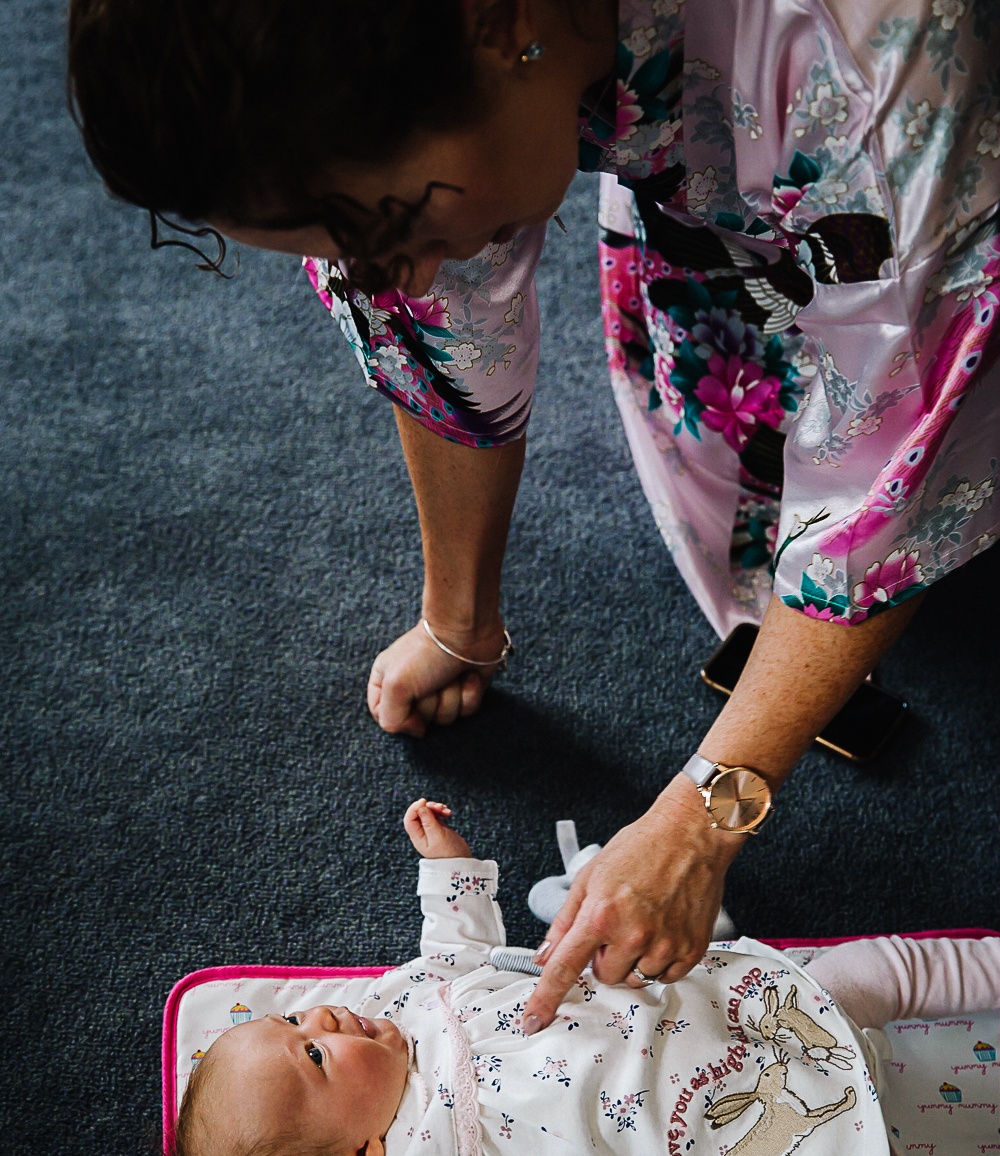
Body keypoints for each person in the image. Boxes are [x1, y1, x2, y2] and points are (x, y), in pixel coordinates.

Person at [68, 2, 1000, 1029]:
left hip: (896, 132)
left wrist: (702, 817)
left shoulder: (861, 70)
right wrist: (456, 619)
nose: (406, 273)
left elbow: (891, 475)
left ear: (496, 27)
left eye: (399, 227)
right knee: (733, 419)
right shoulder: (448, 97)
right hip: (660, 110)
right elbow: (433, 324)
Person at [168, 799, 998, 1156]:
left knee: (872, 971)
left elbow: (457, 949)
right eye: (313, 1052)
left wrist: (448, 871)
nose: (320, 1013)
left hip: (748, 1023)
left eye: (291, 1018)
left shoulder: (401, 1009)